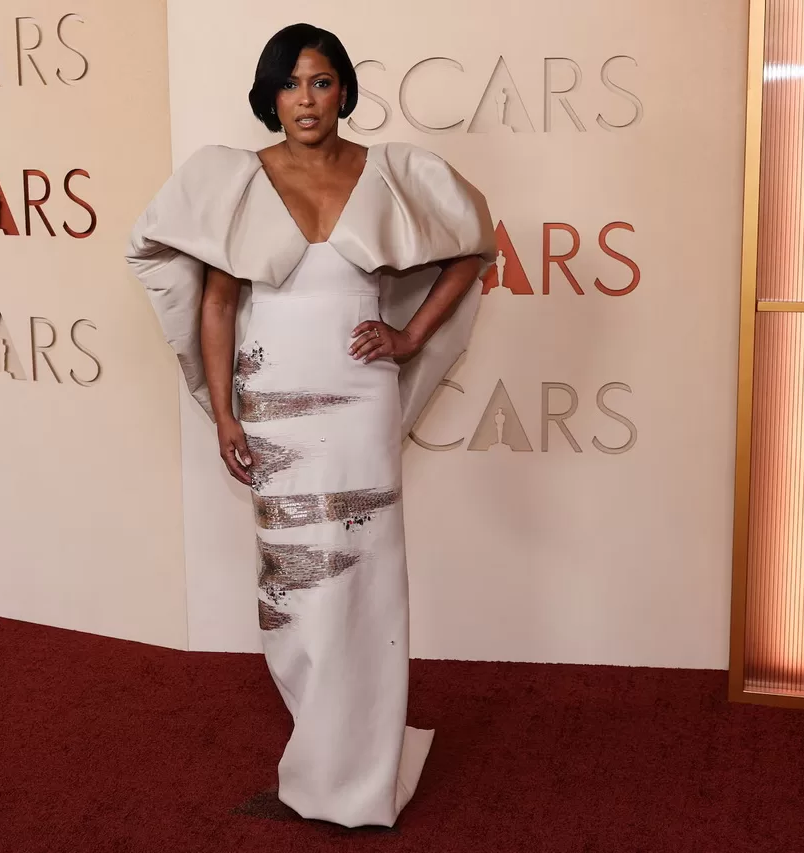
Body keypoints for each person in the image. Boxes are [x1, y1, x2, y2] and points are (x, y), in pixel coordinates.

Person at [126, 23, 495, 829]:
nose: (306, 99)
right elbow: (218, 304)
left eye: (321, 82)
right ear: (271, 95)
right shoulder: (237, 180)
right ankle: (329, 748)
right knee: (295, 585)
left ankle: (355, 775)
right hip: (273, 406)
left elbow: (471, 248)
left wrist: (409, 336)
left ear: (343, 91)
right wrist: (226, 412)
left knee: (366, 582)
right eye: (291, 84)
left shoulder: (388, 172)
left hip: (361, 402)